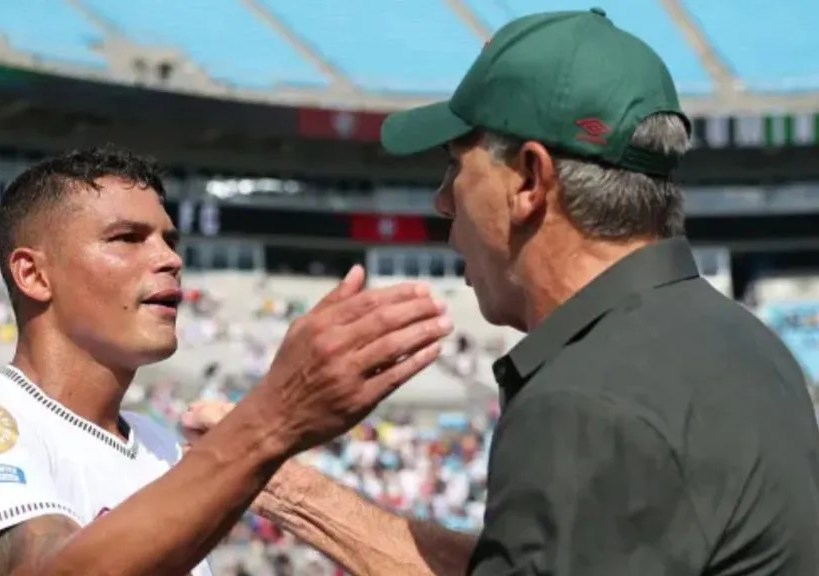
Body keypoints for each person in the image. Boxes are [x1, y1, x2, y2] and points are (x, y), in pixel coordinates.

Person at [183, 9, 819, 576]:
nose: (441, 201)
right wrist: (278, 480)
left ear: (529, 181)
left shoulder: (587, 403)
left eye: (456, 166)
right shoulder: (742, 342)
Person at [0, 147, 454, 576]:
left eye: (169, 240)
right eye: (126, 238)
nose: (170, 259)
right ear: (33, 275)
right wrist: (270, 419)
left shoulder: (160, 444)